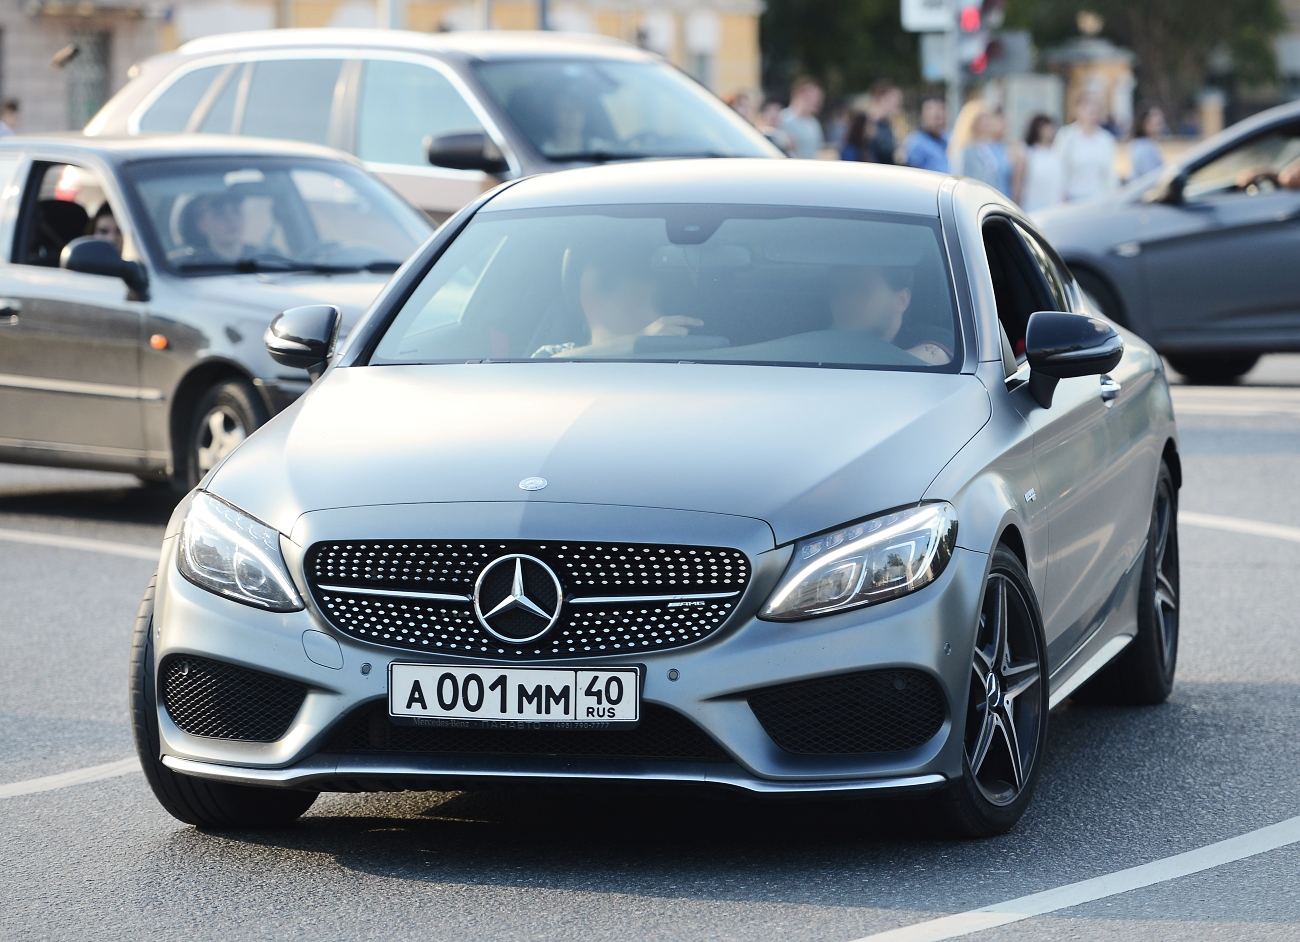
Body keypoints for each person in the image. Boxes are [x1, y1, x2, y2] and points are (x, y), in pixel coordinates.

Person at [533, 244, 702, 358]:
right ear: (592, 303)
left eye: (657, 302)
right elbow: (547, 367)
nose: (655, 315)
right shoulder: (551, 354)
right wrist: (638, 341)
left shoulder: (681, 361)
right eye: (636, 301)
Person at [829, 264, 951, 365]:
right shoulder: (822, 338)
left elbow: (938, 355)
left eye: (860, 289)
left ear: (901, 300)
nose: (844, 300)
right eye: (837, 290)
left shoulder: (931, 336)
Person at [1055, 95, 1118, 201]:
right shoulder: (1066, 136)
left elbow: (1110, 174)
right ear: (1077, 111)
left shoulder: (1106, 139)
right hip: (1072, 198)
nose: (1091, 112)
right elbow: (1059, 169)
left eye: (1095, 110)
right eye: (1086, 108)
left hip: (1099, 198)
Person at [1013, 114, 1065, 212]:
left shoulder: (1056, 152)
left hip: (1054, 203)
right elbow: (1018, 181)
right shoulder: (1026, 151)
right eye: (1043, 128)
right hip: (1033, 204)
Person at [959, 108, 1012, 196]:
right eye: (982, 122)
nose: (987, 124)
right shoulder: (967, 151)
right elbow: (963, 179)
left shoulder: (994, 148)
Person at [780, 78, 825, 159]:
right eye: (810, 98)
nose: (815, 102)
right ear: (798, 96)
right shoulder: (783, 118)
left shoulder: (814, 123)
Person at [905, 96, 950, 173]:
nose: (940, 122)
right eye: (936, 118)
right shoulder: (916, 142)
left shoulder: (948, 137)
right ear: (924, 117)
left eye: (942, 118)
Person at [865, 79, 903, 164]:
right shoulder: (869, 125)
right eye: (895, 99)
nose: (898, 104)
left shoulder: (885, 124)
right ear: (882, 98)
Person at [1129, 104, 1166, 180]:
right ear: (1144, 123)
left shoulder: (1146, 144)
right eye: (1157, 123)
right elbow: (1151, 178)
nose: (1161, 125)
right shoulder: (1143, 148)